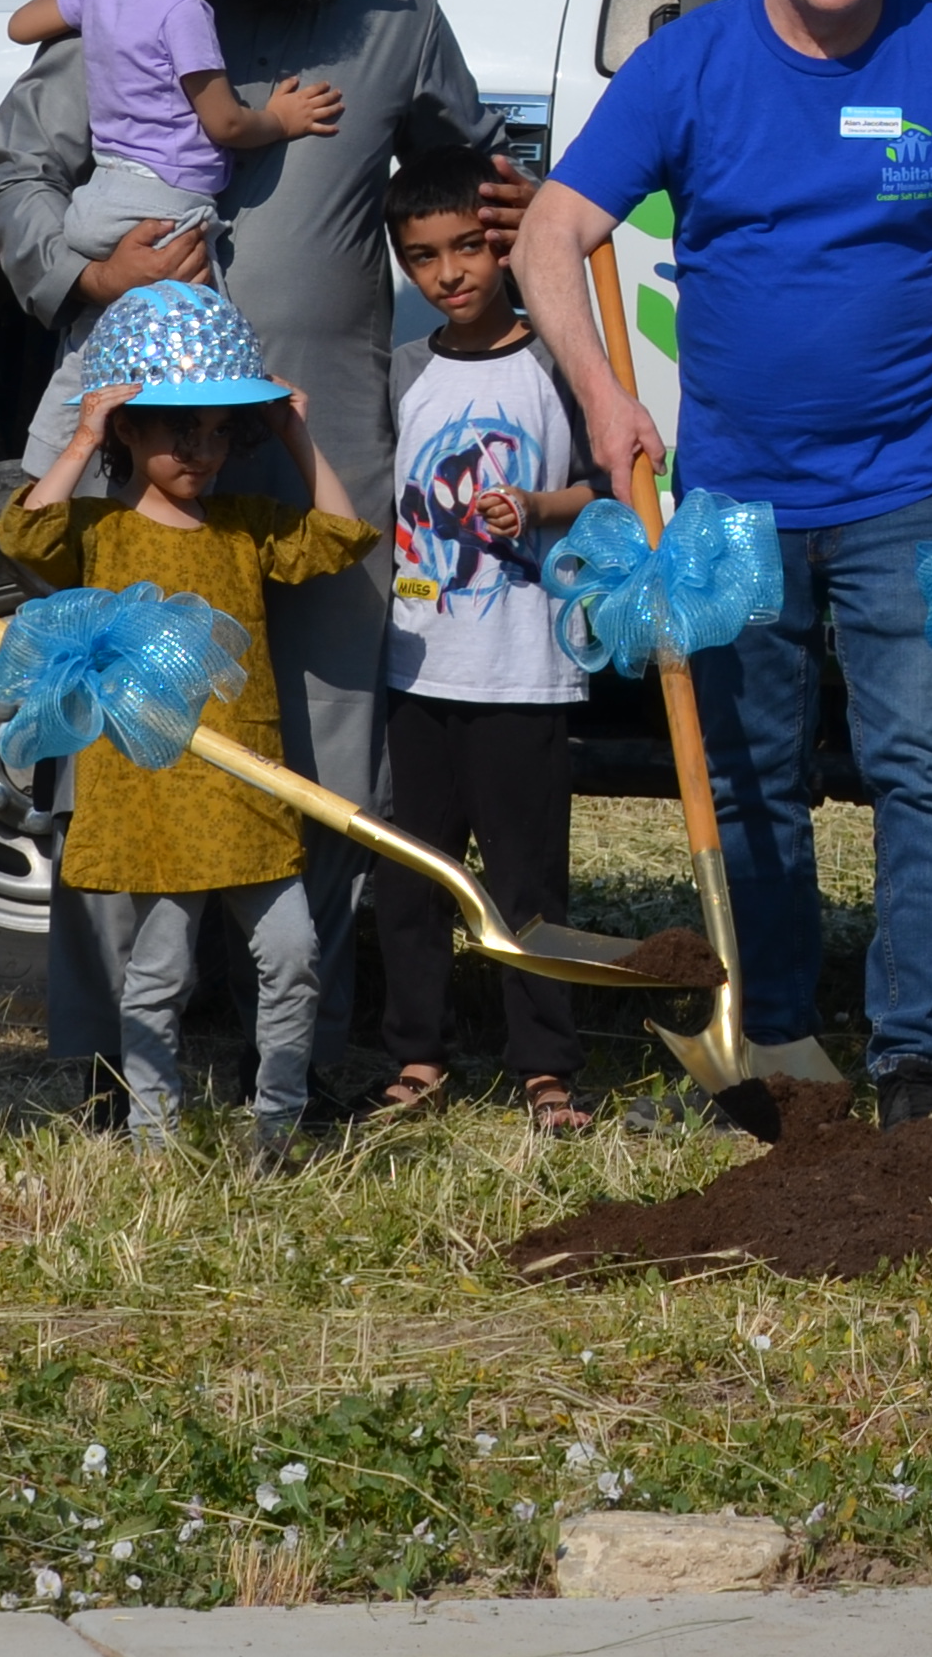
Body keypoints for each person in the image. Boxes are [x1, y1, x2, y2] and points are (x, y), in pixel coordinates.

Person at [0, 0, 520, 1095]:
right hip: (141, 446)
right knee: (116, 738)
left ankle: (311, 1056)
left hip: (319, 435)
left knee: (330, 743)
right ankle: (101, 1058)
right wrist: (84, 280)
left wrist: (509, 196)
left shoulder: (402, 17)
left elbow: (465, 166)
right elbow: (17, 173)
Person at [519, 0, 932, 1129]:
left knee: (924, 766)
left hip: (910, 488)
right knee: (754, 775)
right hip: (739, 501)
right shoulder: (691, 60)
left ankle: (919, 1056)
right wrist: (602, 395)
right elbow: (550, 235)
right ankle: (773, 1038)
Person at [1, 285, 374, 1163]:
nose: (202, 452)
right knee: (158, 975)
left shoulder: (243, 527)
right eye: (180, 431)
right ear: (132, 430)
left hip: (247, 790)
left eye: (217, 432)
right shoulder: (96, 532)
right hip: (159, 798)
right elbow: (22, 537)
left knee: (292, 956)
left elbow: (341, 537)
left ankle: (278, 1125)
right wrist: (84, 433)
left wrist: (293, 432)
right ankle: (153, 1135)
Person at [370, 145, 599, 1132]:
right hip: (417, 670)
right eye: (424, 257)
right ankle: (416, 1053)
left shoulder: (554, 360)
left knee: (528, 886)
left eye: (468, 247)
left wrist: (538, 506)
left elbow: (606, 486)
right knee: (412, 880)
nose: (450, 273)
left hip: (527, 674)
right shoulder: (402, 374)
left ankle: (546, 1067)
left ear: (504, 245)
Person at [3, 0, 343, 468]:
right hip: (165, 210)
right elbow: (224, 122)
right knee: (204, 347)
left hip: (102, 199)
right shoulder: (187, 11)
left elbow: (21, 25)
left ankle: (45, 464)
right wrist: (282, 118)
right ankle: (213, 464)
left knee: (91, 347)